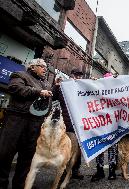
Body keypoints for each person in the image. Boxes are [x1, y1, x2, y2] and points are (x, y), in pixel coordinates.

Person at [0, 58, 53, 189]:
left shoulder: (45, 84)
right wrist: (38, 92)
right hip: (16, 121)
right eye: (42, 66)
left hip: (34, 124)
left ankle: (19, 185)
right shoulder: (20, 75)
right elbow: (14, 88)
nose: (45, 69)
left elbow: (49, 102)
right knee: (5, 156)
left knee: (26, 158)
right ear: (32, 67)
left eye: (46, 67)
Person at [52, 68, 85, 180]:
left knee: (77, 150)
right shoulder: (63, 87)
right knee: (64, 148)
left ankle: (75, 170)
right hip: (66, 123)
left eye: (80, 76)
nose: (78, 77)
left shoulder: (83, 87)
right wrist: (56, 85)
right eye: (76, 75)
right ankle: (63, 171)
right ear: (71, 76)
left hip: (78, 124)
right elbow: (53, 97)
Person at [91, 72, 117, 182]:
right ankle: (100, 170)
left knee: (112, 149)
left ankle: (112, 171)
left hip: (113, 125)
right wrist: (91, 83)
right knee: (99, 148)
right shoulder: (98, 91)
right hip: (100, 125)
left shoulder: (118, 92)